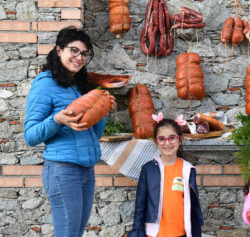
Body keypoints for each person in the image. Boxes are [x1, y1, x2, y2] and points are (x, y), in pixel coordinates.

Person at [24, 26, 115, 237]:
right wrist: (57, 120)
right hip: (62, 170)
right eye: (73, 50)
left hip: (86, 170)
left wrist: (103, 110)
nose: (79, 57)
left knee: (75, 233)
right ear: (59, 50)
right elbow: (30, 135)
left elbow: (94, 133)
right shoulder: (45, 84)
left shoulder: (79, 86)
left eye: (84, 53)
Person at [127, 113, 204, 237]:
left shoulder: (188, 169)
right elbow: (140, 205)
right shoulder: (148, 169)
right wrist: (138, 230)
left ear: (180, 139)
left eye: (172, 138)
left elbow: (193, 206)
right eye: (162, 139)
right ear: (156, 142)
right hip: (155, 234)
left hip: (181, 234)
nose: (167, 143)